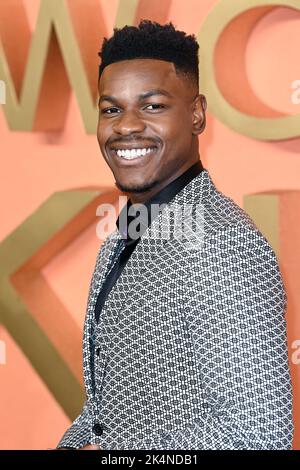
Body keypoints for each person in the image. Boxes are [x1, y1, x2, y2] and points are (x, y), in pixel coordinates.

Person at [57, 20, 293, 450]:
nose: (125, 126)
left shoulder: (223, 244)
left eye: (152, 106)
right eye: (111, 109)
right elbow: (106, 412)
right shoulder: (134, 227)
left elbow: (261, 435)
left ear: (197, 114)